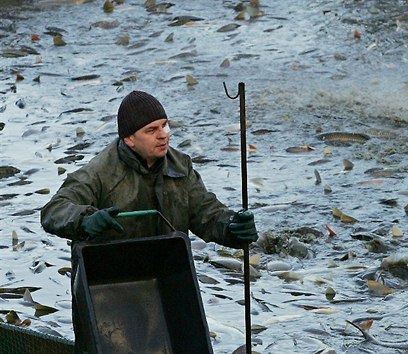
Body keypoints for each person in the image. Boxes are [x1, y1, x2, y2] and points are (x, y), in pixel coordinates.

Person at [40, 90, 258, 353]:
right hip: (107, 290)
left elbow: (207, 213)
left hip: (166, 283)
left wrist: (233, 227)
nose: (164, 134)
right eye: (152, 129)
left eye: (165, 125)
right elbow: (54, 210)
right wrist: (86, 220)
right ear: (130, 139)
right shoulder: (99, 173)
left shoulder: (180, 166)